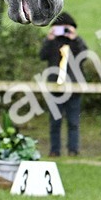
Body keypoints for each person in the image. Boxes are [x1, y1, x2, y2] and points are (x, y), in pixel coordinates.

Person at [38, 12, 88, 156]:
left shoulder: (76, 42)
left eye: (66, 28)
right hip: (55, 88)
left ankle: (73, 150)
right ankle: (55, 150)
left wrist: (76, 38)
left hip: (74, 89)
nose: (63, 31)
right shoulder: (52, 42)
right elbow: (42, 55)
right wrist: (49, 39)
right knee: (55, 122)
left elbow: (85, 55)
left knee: (73, 122)